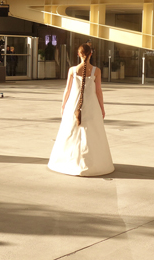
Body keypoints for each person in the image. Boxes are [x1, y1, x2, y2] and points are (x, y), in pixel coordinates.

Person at [47, 43, 114, 177]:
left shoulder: (72, 70)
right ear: (91, 54)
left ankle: (69, 160)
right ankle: (93, 163)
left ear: (78, 54)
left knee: (71, 132)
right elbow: (98, 91)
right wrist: (102, 107)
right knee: (92, 133)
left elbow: (67, 89)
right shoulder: (97, 71)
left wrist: (63, 104)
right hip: (91, 105)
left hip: (74, 104)